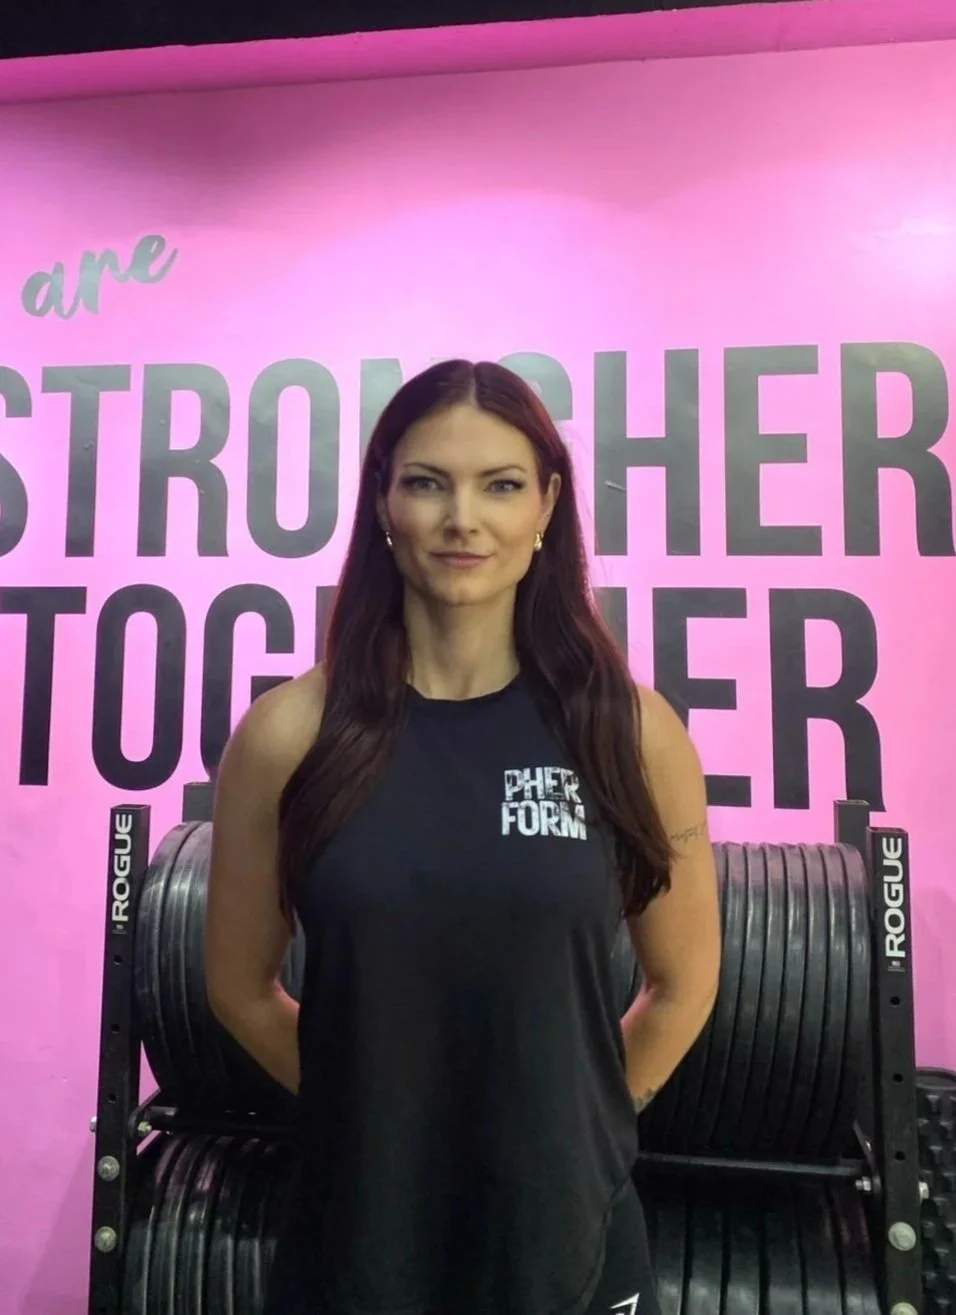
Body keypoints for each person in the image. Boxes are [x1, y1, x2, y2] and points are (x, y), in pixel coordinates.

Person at [205, 359, 721, 1315]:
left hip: (565, 1247)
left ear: (547, 507)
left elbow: (684, 983)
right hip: (357, 1242)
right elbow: (237, 986)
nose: (462, 520)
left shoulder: (631, 733)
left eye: (501, 485)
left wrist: (585, 1122)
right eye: (428, 481)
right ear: (383, 501)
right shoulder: (286, 737)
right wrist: (376, 1111)